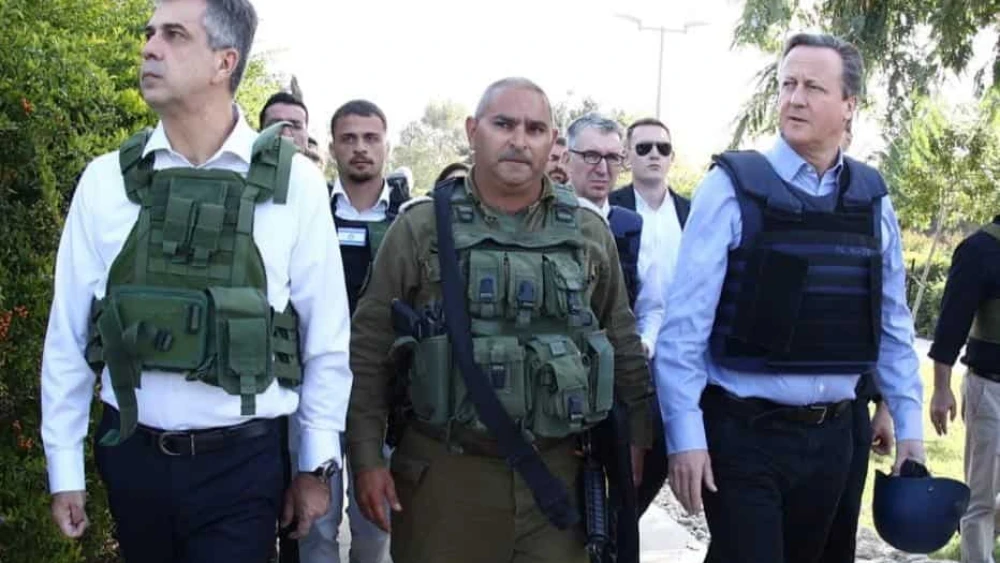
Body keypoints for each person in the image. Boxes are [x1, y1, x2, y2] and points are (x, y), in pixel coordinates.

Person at [41, 1, 351, 561]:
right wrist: (64, 466)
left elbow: (326, 341)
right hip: (132, 459)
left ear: (224, 62)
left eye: (174, 35)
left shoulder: (297, 186)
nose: (149, 48)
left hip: (243, 468)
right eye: (149, 33)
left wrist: (315, 465)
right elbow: (68, 335)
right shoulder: (106, 181)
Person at [346, 77, 654, 563]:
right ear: (473, 131)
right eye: (503, 124)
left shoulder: (588, 232)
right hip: (445, 480)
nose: (519, 140)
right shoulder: (420, 227)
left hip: (557, 479)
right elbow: (369, 350)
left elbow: (621, 338)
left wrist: (635, 439)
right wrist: (365, 456)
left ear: (552, 142)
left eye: (535, 129)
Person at [658, 32, 925, 563]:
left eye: (813, 88)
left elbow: (893, 325)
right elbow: (684, 328)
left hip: (833, 441)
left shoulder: (872, 200)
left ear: (849, 105)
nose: (794, 99)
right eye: (787, 84)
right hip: (743, 435)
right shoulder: (731, 187)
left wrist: (911, 431)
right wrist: (685, 436)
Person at [288, 99, 402, 563]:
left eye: (371, 138)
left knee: (377, 527)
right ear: (332, 146)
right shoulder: (308, 211)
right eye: (349, 138)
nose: (360, 148)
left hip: (383, 393)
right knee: (315, 527)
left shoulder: (410, 219)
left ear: (386, 145)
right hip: (314, 388)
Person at [818, 118, 895, 563]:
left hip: (851, 409)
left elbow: (885, 319)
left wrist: (885, 406)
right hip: (770, 418)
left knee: (840, 525)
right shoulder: (778, 208)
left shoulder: (868, 207)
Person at [609, 117, 689, 515]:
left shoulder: (692, 212)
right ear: (627, 156)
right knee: (624, 468)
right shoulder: (612, 209)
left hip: (681, 356)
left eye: (663, 148)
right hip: (626, 355)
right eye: (643, 148)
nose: (654, 155)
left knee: (660, 456)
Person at [563, 113, 665, 359]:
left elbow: (651, 307)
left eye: (612, 158)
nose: (602, 168)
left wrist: (645, 343)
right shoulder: (540, 220)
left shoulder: (633, 228)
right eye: (591, 156)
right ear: (566, 159)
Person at [928, 215, 1000, 563]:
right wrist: (941, 388)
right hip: (991, 390)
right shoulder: (979, 250)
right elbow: (950, 327)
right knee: (981, 498)